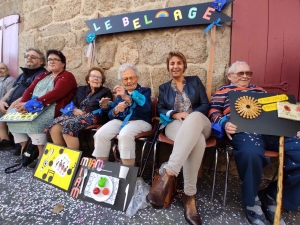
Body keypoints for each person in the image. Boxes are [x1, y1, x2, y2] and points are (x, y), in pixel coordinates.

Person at [208, 61, 300, 225]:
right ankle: (252, 200)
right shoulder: (224, 91)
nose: (245, 76)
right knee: (251, 153)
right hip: (244, 130)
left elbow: (279, 111)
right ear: (230, 76)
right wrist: (223, 123)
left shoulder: (260, 91)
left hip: (272, 131)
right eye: (240, 73)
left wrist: (295, 126)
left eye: (248, 73)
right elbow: (213, 111)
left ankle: (273, 195)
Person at [147, 51, 211, 225]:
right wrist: (175, 114)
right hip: (175, 124)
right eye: (172, 63)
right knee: (196, 141)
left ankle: (168, 174)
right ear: (168, 67)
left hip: (199, 122)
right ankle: (189, 197)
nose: (175, 66)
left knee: (195, 120)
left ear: (184, 65)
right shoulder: (164, 87)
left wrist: (191, 116)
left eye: (179, 63)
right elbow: (160, 108)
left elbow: (205, 104)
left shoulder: (195, 81)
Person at [7, 49, 77, 170]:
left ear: (63, 63)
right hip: (33, 105)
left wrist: (30, 105)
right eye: (50, 59)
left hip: (52, 107)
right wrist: (23, 103)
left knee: (34, 122)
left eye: (56, 59)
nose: (52, 62)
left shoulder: (67, 76)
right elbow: (29, 90)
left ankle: (41, 154)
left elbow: (56, 93)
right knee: (12, 119)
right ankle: (26, 150)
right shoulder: (43, 75)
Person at [92, 63, 152, 166]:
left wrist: (128, 98)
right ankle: (101, 169)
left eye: (131, 78)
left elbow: (146, 108)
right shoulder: (120, 94)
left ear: (137, 77)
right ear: (122, 81)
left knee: (124, 134)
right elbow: (111, 116)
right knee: (100, 134)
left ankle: (127, 173)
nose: (129, 81)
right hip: (121, 122)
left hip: (140, 121)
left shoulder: (145, 91)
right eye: (125, 79)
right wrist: (115, 109)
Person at [45, 67, 113, 150]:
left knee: (69, 125)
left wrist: (104, 105)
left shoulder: (105, 91)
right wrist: (74, 109)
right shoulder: (81, 89)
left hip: (93, 116)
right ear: (88, 79)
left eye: (99, 77)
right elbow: (72, 103)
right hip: (76, 114)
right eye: (93, 76)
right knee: (54, 125)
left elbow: (107, 110)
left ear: (102, 80)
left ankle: (73, 157)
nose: (96, 78)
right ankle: (62, 154)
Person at [0, 48, 47, 152]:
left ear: (42, 61)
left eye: (33, 57)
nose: (29, 58)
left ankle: (28, 150)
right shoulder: (22, 75)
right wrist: (2, 100)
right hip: (12, 105)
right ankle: (16, 145)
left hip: (27, 105)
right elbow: (13, 89)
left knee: (12, 116)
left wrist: (13, 105)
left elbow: (34, 93)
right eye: (27, 56)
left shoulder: (42, 74)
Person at [0, 63, 15, 148]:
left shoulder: (9, 80)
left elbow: (10, 94)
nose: (0, 70)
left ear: (7, 70)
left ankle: (5, 140)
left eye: (2, 68)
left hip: (7, 104)